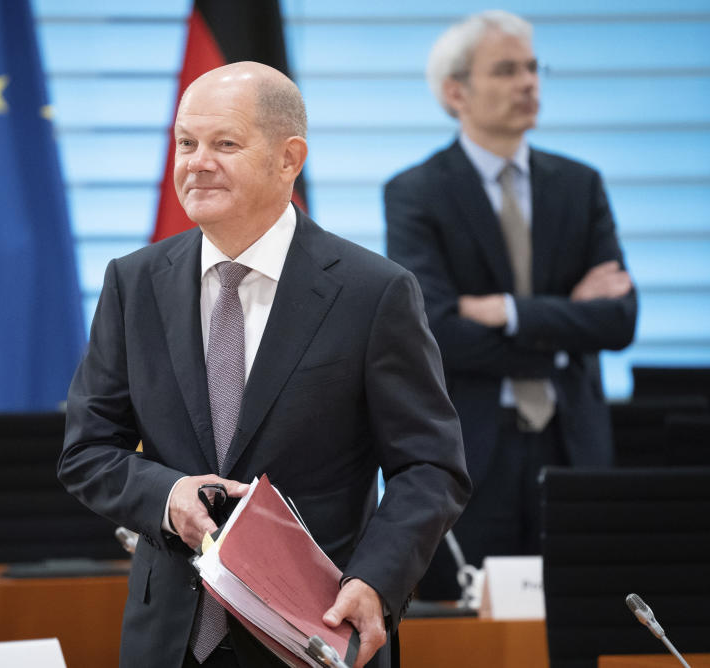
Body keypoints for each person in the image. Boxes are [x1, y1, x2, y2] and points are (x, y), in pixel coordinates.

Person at [59, 61, 471, 668]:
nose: (197, 162)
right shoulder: (134, 282)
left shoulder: (372, 291)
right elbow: (86, 450)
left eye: (224, 143)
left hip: (315, 631)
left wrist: (375, 581)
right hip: (170, 641)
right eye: (185, 143)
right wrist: (169, 493)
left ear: (289, 158)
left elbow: (430, 466)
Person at [384, 10, 637, 600]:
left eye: (532, 67)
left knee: (578, 619)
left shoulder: (580, 185)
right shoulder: (416, 193)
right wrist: (566, 315)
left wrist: (509, 311)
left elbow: (620, 320)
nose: (529, 83)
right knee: (472, 629)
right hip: (473, 453)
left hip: (572, 446)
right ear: (456, 91)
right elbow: (439, 332)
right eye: (505, 70)